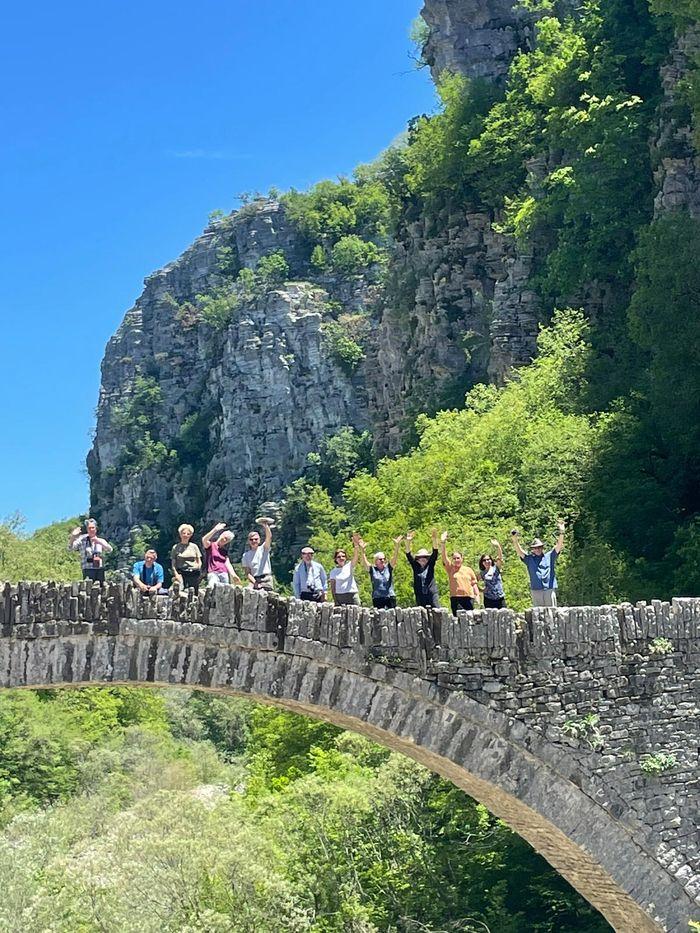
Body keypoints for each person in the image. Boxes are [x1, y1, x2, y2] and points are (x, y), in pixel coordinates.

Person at [511, 520, 565, 607]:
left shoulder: (549, 556)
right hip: (536, 590)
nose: (537, 549)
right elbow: (519, 551)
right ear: (532, 549)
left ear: (542, 548)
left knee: (552, 613)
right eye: (535, 548)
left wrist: (562, 532)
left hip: (549, 590)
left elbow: (559, 546)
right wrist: (515, 540)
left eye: (539, 547)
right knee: (538, 615)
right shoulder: (529, 559)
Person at [440, 531, 480, 615]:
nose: (456, 560)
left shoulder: (468, 570)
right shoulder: (450, 568)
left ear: (462, 559)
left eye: (458, 558)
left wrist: (477, 595)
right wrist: (443, 542)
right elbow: (444, 557)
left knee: (470, 619)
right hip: (456, 598)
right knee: (459, 619)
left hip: (469, 598)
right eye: (454, 558)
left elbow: (474, 583)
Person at [359, 536, 402, 609]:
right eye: (380, 559)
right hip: (377, 598)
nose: (382, 560)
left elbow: (395, 557)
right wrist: (362, 551)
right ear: (375, 561)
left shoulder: (388, 567)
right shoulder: (372, 569)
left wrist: (397, 546)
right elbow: (364, 562)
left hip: (390, 596)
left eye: (384, 559)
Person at [405, 528, 440, 608]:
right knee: (421, 615)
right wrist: (408, 542)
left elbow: (435, 552)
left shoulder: (430, 565)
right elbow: (408, 554)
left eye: (425, 557)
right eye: (420, 557)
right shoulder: (416, 566)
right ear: (417, 559)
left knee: (437, 612)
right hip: (420, 595)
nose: (423, 559)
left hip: (431, 594)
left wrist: (434, 539)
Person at [202, 523, 241, 587]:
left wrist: (233, 575)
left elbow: (227, 564)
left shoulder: (224, 552)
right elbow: (204, 540)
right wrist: (215, 530)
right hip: (213, 572)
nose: (224, 540)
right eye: (225, 537)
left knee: (225, 592)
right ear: (221, 535)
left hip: (224, 573)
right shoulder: (211, 545)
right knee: (212, 588)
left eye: (227, 540)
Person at [241, 517, 274, 591]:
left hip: (266, 579)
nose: (254, 541)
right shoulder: (246, 556)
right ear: (248, 541)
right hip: (255, 580)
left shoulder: (264, 549)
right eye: (251, 539)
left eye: (256, 539)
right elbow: (248, 573)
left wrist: (265, 526)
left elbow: (269, 537)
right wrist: (255, 583)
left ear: (259, 540)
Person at [329, 534, 361, 606]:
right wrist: (335, 600)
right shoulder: (333, 572)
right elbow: (333, 587)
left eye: (343, 556)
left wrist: (356, 546)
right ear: (336, 559)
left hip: (352, 594)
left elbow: (356, 557)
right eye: (339, 557)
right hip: (340, 596)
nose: (341, 558)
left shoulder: (349, 566)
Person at [170, 524, 203, 593]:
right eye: (184, 533)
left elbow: (199, 560)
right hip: (181, 572)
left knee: (194, 592)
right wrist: (176, 574)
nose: (185, 535)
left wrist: (198, 567)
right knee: (179, 590)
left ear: (191, 535)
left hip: (194, 572)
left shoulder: (194, 546)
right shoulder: (175, 547)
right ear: (180, 534)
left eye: (188, 534)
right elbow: (173, 563)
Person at [479, 539, 506, 609]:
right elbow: (473, 581)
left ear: (491, 560)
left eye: (488, 559)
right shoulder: (482, 573)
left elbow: (500, 558)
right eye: (484, 560)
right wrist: (481, 590)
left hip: (499, 597)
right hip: (488, 599)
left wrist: (498, 546)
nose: (487, 561)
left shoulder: (496, 568)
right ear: (482, 562)